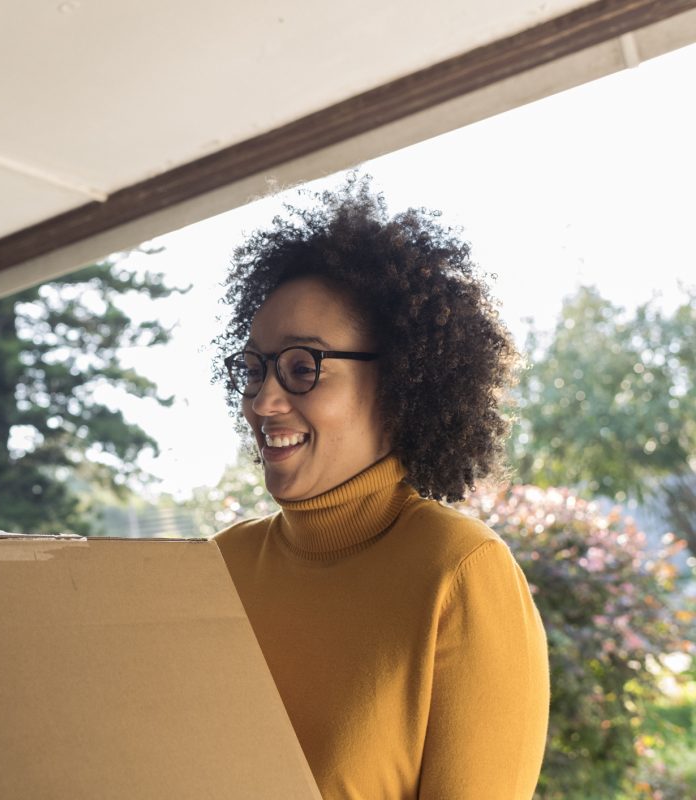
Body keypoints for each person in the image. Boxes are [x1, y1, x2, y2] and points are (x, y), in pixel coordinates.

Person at [212, 178, 549, 799]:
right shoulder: (218, 566)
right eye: (256, 367)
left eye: (302, 367)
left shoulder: (459, 573)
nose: (263, 400)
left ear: (399, 382)